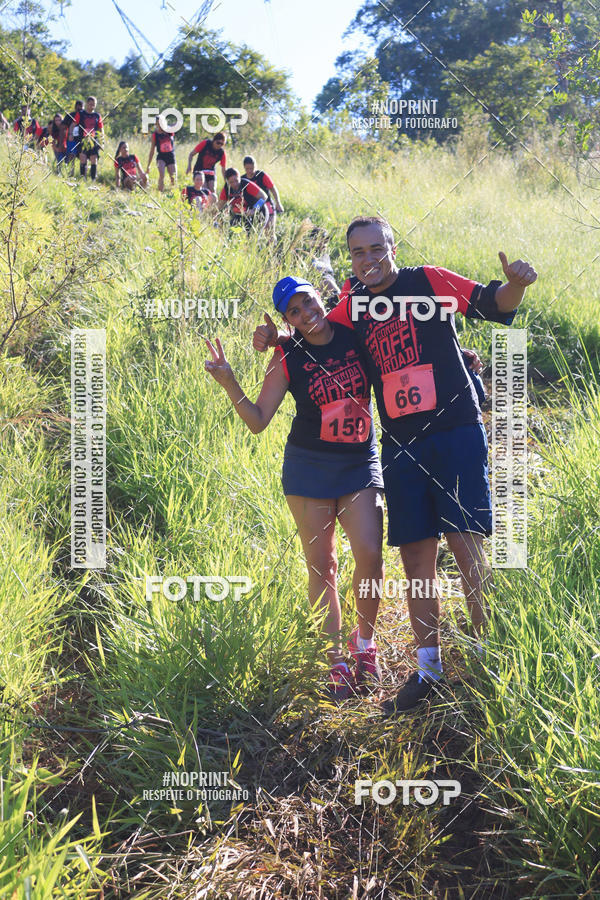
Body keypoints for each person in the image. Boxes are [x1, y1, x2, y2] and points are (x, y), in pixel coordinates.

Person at [253, 216, 537, 714]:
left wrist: (514, 285)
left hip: (455, 432)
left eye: (375, 249)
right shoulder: (351, 307)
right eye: (357, 253)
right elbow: (310, 331)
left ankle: (490, 656)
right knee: (415, 561)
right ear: (351, 259)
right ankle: (429, 670)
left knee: (466, 547)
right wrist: (273, 334)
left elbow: (493, 304)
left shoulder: (427, 281)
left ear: (392, 247)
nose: (367, 260)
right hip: (400, 446)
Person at [206, 276, 386, 699]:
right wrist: (230, 382)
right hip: (308, 469)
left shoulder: (353, 330)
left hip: (359, 461)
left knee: (371, 555)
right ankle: (336, 659)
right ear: (288, 319)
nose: (307, 314)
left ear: (319, 298)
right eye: (294, 311)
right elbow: (257, 420)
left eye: (308, 302)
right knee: (323, 566)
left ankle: (365, 644)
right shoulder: (287, 354)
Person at [243, 155, 284, 230]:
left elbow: (273, 189)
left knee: (269, 230)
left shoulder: (261, 175)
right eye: (247, 169)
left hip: (266, 204)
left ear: (255, 166)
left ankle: (272, 241)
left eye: (252, 168)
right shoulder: (243, 180)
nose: (249, 171)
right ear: (244, 168)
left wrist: (278, 203)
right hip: (252, 208)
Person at [74, 96, 104, 180]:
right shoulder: (80, 114)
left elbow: (101, 129)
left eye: (93, 105)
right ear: (87, 104)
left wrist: (102, 141)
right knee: (83, 159)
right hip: (82, 140)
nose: (92, 106)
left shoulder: (97, 115)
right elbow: (74, 125)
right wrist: (71, 135)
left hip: (93, 141)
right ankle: (83, 179)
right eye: (90, 104)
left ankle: (93, 179)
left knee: (94, 159)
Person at [147, 118, 176, 192]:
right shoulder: (155, 135)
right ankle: (160, 192)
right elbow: (152, 150)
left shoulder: (169, 131)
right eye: (158, 123)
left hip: (170, 156)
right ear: (156, 124)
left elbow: (176, 125)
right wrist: (148, 165)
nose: (160, 125)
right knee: (162, 174)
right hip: (161, 157)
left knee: (173, 177)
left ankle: (173, 192)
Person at [63, 100, 83, 173]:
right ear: (75, 107)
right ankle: (70, 172)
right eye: (78, 107)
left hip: (81, 139)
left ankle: (82, 174)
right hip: (72, 139)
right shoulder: (70, 115)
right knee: (71, 155)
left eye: (81, 107)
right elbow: (64, 126)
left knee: (82, 156)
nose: (79, 109)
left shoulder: (84, 115)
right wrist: (68, 135)